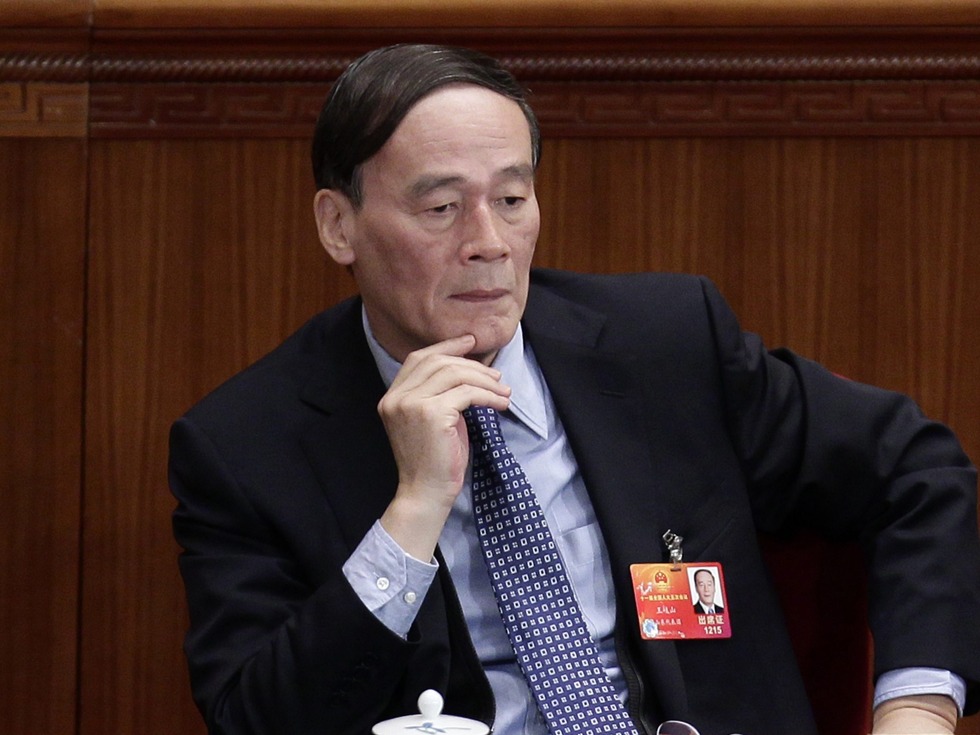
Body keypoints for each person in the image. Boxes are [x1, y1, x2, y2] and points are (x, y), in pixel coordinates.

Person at [168, 44, 980, 735]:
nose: (489, 242)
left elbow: (916, 470)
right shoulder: (247, 445)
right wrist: (411, 512)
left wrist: (918, 707)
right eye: (442, 207)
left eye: (511, 199)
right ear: (338, 225)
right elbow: (257, 716)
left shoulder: (665, 346)